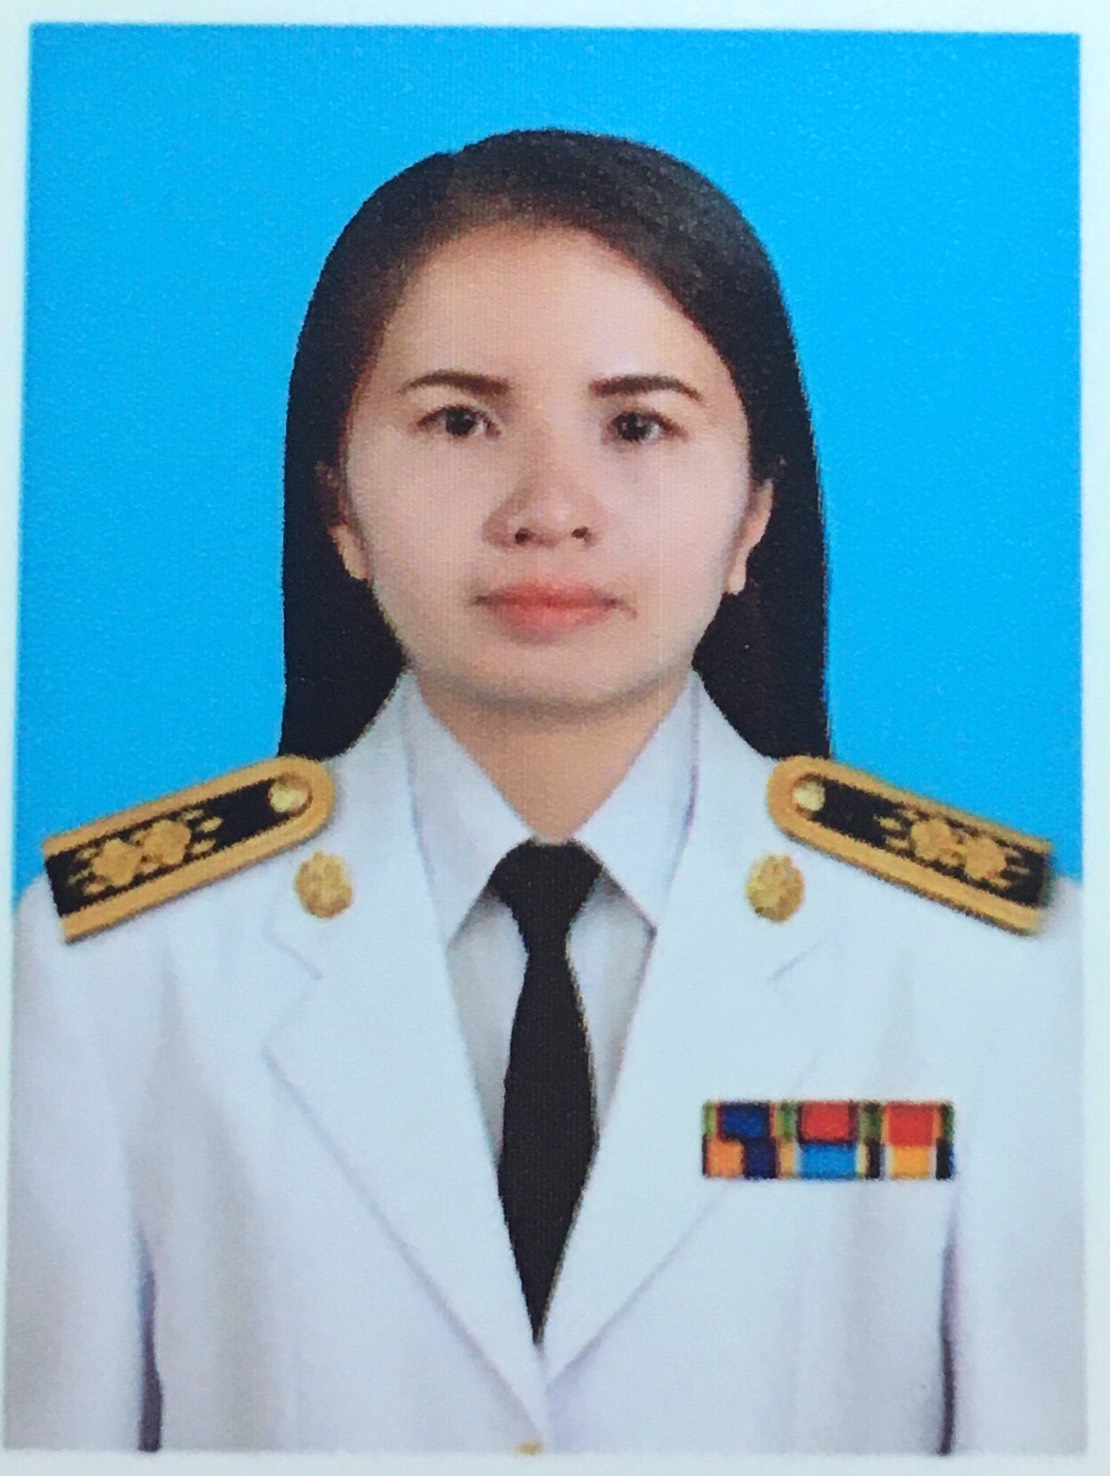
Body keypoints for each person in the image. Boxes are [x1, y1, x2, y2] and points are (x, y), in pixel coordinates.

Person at [5, 130, 1082, 1454]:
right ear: (337, 506)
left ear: (754, 513)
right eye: (460, 421)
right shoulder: (120, 971)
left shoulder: (992, 969)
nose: (549, 509)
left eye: (637, 425)